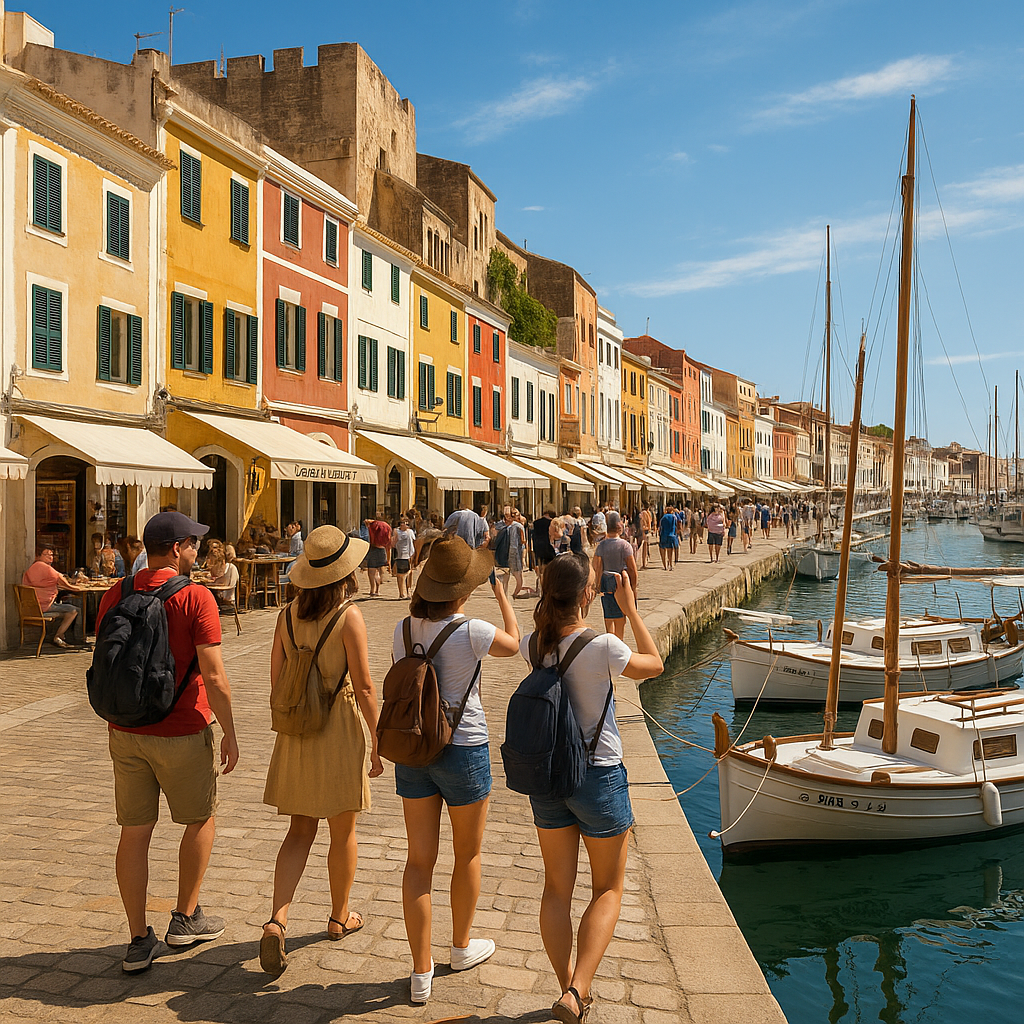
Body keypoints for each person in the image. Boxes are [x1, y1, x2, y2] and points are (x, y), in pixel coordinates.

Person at [520, 554, 663, 1024]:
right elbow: (654, 664)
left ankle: (566, 984)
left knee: (556, 889)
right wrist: (631, 606)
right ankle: (579, 989)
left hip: (547, 778)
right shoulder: (603, 646)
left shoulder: (534, 646)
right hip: (597, 775)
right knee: (607, 889)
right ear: (587, 595)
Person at [94, 511, 239, 974]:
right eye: (194, 543)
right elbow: (213, 676)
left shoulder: (116, 592)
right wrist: (231, 734)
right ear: (176, 548)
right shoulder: (196, 597)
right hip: (181, 727)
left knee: (134, 833)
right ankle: (185, 917)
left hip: (127, 730)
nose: (198, 549)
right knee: (199, 819)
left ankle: (138, 940)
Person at [392, 535, 521, 1004]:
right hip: (464, 748)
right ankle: (461, 947)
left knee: (418, 861)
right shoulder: (472, 631)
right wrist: (503, 596)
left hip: (414, 750)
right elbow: (515, 644)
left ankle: (420, 971)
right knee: (466, 854)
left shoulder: (403, 629)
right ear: (463, 591)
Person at [259, 526, 384, 975]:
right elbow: (366, 685)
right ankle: (338, 915)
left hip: (297, 730)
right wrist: (377, 739)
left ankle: (277, 920)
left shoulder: (286, 614)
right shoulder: (348, 616)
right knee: (342, 831)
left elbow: (276, 680)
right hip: (338, 726)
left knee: (298, 831)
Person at [22, 544, 86, 648]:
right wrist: (78, 588)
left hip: (33, 606)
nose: (50, 557)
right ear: (38, 556)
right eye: (46, 555)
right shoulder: (44, 567)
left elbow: (46, 583)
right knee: (74, 610)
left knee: (64, 604)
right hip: (43, 606)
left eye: (51, 555)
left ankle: (59, 635)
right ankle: (63, 637)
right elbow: (63, 581)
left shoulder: (34, 567)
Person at [591, 511, 638, 639]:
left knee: (608, 616)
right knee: (620, 618)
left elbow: (596, 565)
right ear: (619, 526)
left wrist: (597, 584)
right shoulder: (625, 545)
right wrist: (633, 587)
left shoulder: (602, 545)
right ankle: (619, 642)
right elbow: (632, 568)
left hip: (606, 581)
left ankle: (610, 641)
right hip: (620, 582)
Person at [365, 518, 391, 596]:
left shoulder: (373, 526)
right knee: (378, 572)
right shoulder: (386, 527)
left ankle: (372, 590)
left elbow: (366, 521)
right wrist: (389, 561)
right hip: (382, 550)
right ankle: (377, 590)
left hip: (373, 548)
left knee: (372, 572)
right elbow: (388, 547)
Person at [532, 508, 557, 590]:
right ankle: (546, 584)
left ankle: (540, 584)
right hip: (547, 546)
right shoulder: (551, 523)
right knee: (549, 566)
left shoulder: (536, 523)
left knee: (540, 566)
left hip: (538, 546)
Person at [507, 509, 530, 598]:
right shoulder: (518, 526)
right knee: (518, 574)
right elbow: (523, 540)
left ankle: (516, 592)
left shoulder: (510, 526)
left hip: (513, 551)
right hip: (517, 551)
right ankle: (516, 592)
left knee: (517, 573)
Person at [392, 517, 416, 599]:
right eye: (404, 523)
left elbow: (414, 542)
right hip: (400, 555)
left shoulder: (410, 532)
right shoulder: (396, 532)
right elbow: (393, 543)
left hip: (409, 555)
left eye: (408, 524)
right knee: (400, 575)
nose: (406, 525)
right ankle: (401, 593)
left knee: (409, 574)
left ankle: (409, 591)